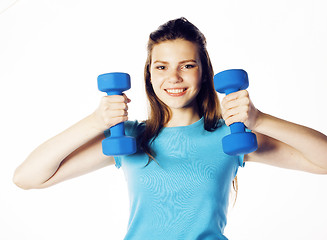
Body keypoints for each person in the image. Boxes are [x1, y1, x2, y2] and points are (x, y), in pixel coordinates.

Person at [13, 17, 327, 240]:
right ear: (148, 75)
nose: (173, 78)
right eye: (161, 67)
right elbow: (27, 178)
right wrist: (96, 122)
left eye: (187, 66)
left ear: (204, 74)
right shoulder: (131, 138)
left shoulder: (230, 137)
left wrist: (258, 120)